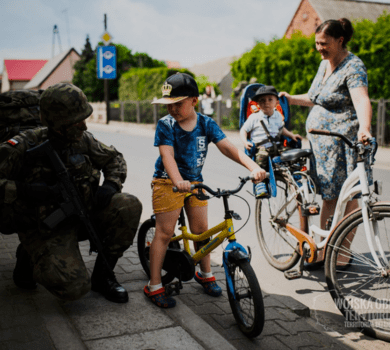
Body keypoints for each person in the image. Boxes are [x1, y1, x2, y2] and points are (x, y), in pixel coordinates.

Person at [0, 83, 142, 303]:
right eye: (77, 122)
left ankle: (104, 277)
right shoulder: (24, 145)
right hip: (46, 227)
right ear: (58, 124)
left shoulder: (82, 140)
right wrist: (25, 190)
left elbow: (114, 158)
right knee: (74, 288)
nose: (84, 126)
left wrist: (111, 185)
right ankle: (28, 255)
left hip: (82, 214)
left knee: (128, 205)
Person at [144, 72, 266, 308]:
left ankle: (205, 273)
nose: (172, 110)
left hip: (195, 182)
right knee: (165, 232)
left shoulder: (206, 123)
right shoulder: (165, 124)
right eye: (168, 105)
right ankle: (154, 285)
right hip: (167, 182)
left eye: (177, 104)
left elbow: (229, 149)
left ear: (194, 101)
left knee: (201, 231)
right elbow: (166, 155)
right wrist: (178, 180)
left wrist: (254, 166)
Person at [279, 18, 372, 265]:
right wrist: (289, 98)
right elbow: (315, 98)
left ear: (340, 40)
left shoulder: (353, 67)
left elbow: (361, 100)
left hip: (344, 145)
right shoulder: (325, 64)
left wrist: (364, 127)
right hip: (323, 147)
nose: (319, 48)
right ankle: (323, 250)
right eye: (317, 43)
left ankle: (341, 254)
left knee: (348, 199)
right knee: (329, 198)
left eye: (324, 43)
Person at [240, 85, 302, 197]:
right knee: (261, 158)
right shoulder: (254, 117)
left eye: (270, 100)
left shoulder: (278, 116)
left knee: (292, 154)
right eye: (262, 101)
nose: (266, 103)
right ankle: (260, 184)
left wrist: (291, 135)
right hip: (261, 147)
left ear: (276, 102)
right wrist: (245, 141)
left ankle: (297, 176)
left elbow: (281, 129)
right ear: (257, 104)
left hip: (276, 146)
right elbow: (243, 130)